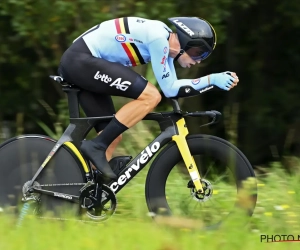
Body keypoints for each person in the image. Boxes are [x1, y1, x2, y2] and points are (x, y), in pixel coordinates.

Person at [57, 16, 239, 180]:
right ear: (186, 42)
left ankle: (85, 191)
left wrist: (211, 81)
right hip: (81, 60)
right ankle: (96, 146)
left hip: (82, 62)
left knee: (111, 138)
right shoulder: (159, 39)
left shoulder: (166, 42)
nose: (199, 60)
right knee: (151, 96)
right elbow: (169, 91)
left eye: (204, 56)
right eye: (199, 53)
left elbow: (171, 87)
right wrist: (211, 79)